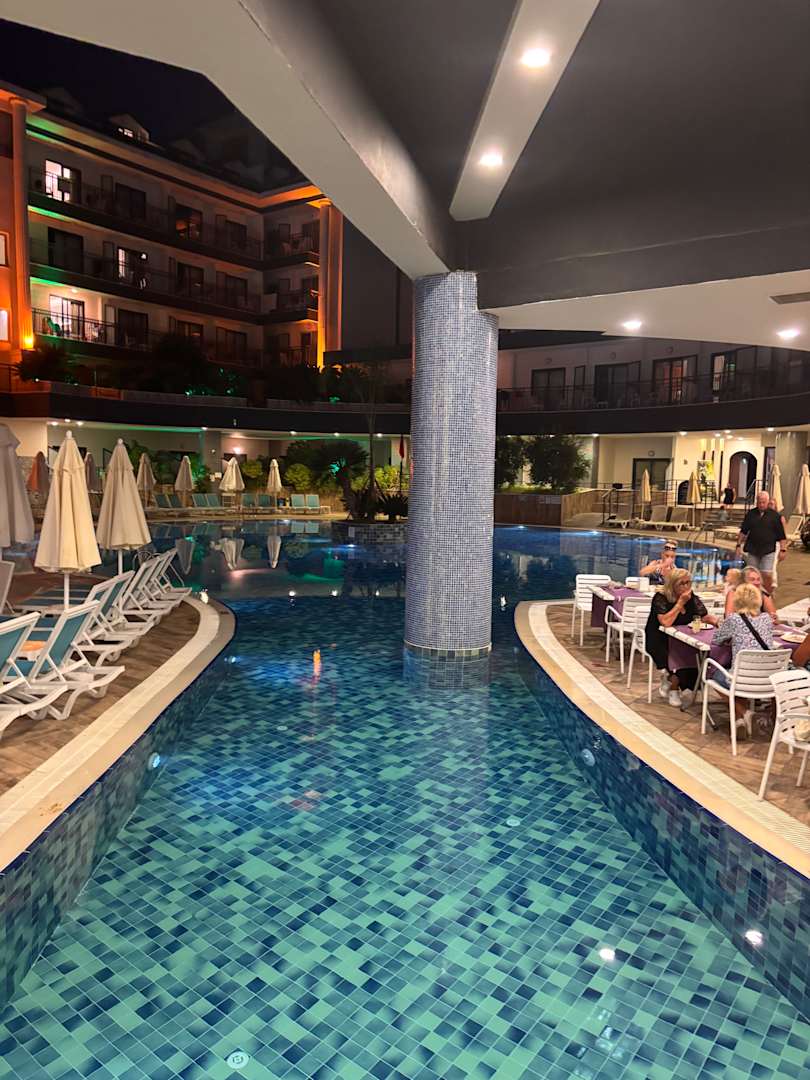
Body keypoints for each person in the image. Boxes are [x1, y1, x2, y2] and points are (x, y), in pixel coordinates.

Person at [645, 568, 718, 709]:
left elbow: (703, 616)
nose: (686, 587)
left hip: (683, 637)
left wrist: (717, 621)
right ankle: (674, 687)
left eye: (688, 582)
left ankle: (672, 680)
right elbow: (666, 622)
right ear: (672, 585)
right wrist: (680, 604)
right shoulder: (661, 597)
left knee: (694, 653)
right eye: (682, 583)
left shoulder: (691, 597)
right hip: (659, 638)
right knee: (675, 656)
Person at [712, 584, 775, 731]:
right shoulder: (767, 619)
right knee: (740, 673)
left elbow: (717, 640)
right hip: (766, 681)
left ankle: (744, 713)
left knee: (713, 673)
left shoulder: (733, 619)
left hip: (742, 680)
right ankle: (739, 720)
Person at [735, 490, 786, 594]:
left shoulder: (775, 516)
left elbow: (782, 535)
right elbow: (743, 531)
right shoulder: (751, 514)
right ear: (756, 502)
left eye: (763, 502)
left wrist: (783, 550)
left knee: (767, 574)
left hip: (768, 549)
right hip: (753, 549)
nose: (761, 504)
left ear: (767, 502)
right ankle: (754, 595)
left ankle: (768, 595)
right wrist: (738, 545)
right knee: (752, 575)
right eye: (759, 502)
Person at [768, 497, 787, 589]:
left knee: (773, 564)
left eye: (772, 504)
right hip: (766, 544)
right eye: (769, 504)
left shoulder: (780, 518)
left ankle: (773, 582)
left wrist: (784, 548)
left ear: (775, 506)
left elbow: (784, 534)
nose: (770, 506)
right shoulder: (764, 517)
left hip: (776, 544)